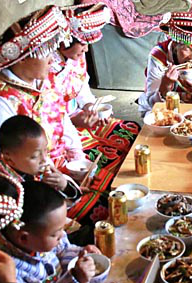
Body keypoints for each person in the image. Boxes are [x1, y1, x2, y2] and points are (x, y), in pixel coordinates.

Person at [51, 3, 140, 227]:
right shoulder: (47, 70)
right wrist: (76, 120)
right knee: (102, 171)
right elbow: (55, 118)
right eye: (82, 43)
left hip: (75, 120)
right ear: (63, 41)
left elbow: (82, 88)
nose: (86, 49)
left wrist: (90, 106)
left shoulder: (77, 58)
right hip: (63, 133)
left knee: (131, 129)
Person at [0, 5, 83, 168]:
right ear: (22, 58)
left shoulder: (46, 81)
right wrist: (57, 177)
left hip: (61, 164)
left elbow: (63, 120)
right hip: (32, 176)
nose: (52, 60)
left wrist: (77, 157)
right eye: (46, 53)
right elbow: (6, 162)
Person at [0, 180, 100, 283]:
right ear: (24, 238)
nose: (62, 235)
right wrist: (75, 280)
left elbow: (63, 250)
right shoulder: (4, 270)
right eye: (55, 233)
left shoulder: (39, 238)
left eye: (62, 228)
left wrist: (81, 255)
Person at [139, 12, 192, 116]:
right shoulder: (158, 56)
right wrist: (166, 85)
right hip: (165, 109)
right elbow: (152, 103)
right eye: (187, 49)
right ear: (175, 45)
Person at [0, 114, 81, 198]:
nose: (44, 159)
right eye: (34, 156)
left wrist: (64, 186)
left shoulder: (40, 163)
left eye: (46, 150)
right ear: (8, 158)